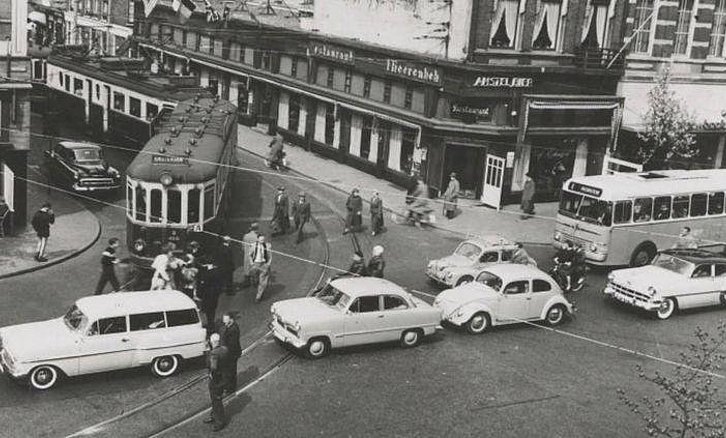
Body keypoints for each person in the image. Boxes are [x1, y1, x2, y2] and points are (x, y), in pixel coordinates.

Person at [204, 333, 228, 432]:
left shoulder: (214, 353)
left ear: (212, 342)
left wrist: (207, 351)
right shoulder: (225, 349)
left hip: (216, 381)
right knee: (216, 399)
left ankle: (220, 422)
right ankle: (214, 415)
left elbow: (211, 366)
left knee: (216, 401)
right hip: (223, 378)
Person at [218, 312, 241, 395]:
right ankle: (228, 386)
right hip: (228, 353)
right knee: (228, 371)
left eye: (226, 320)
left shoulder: (233, 329)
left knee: (231, 371)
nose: (224, 322)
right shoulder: (227, 327)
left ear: (231, 320)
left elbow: (232, 344)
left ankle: (231, 388)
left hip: (232, 354)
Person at [249, 234, 272, 302]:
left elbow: (270, 256)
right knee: (255, 279)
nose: (262, 241)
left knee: (263, 282)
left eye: (263, 240)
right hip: (256, 264)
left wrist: (268, 264)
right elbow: (250, 255)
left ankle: (258, 297)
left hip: (264, 264)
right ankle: (255, 284)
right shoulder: (253, 245)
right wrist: (252, 263)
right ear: (257, 239)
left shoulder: (267, 246)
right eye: (261, 240)